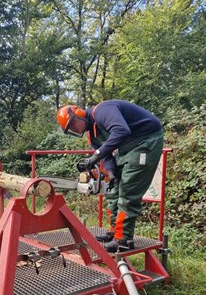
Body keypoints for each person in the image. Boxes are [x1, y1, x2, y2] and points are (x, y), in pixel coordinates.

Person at [56, 99, 163, 252]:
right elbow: (106, 157)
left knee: (128, 191)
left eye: (73, 125)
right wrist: (111, 172)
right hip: (127, 147)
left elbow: (121, 130)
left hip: (146, 140)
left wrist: (95, 156)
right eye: (70, 129)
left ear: (78, 114)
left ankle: (124, 239)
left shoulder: (102, 111)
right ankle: (115, 231)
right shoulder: (92, 135)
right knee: (112, 190)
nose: (75, 129)